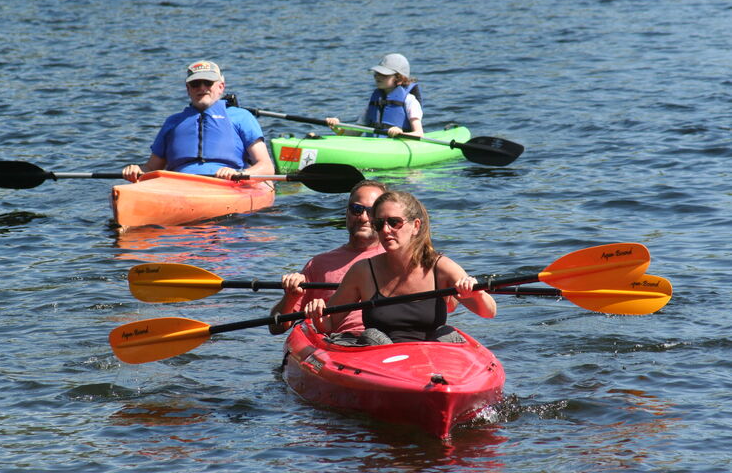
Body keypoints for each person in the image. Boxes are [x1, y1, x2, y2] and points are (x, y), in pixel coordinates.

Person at [304, 190, 496, 344]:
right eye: (379, 224)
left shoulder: (441, 267)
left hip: (431, 358)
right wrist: (318, 313)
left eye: (394, 222)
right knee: (371, 336)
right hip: (380, 356)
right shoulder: (363, 271)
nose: (386, 230)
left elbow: (489, 312)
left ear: (416, 226)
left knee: (448, 334)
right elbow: (329, 324)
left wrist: (474, 294)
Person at [122, 60, 275, 182]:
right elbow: (151, 167)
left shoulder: (241, 117)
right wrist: (136, 170)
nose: (202, 88)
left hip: (228, 183)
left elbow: (266, 167)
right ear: (188, 89)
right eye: (195, 84)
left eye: (208, 83)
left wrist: (239, 173)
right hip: (178, 184)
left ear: (221, 87)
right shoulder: (173, 122)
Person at [269, 180, 388, 335]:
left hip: (387, 343)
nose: (364, 218)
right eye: (357, 209)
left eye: (372, 211)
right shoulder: (319, 264)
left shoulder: (397, 259)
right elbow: (276, 328)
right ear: (347, 212)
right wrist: (291, 297)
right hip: (339, 344)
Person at [325, 53, 424, 138]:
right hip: (375, 144)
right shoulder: (374, 101)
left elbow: (419, 133)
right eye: (377, 73)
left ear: (400, 79)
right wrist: (337, 128)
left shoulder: (410, 101)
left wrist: (400, 133)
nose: (377, 76)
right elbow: (355, 133)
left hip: (400, 143)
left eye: (384, 74)